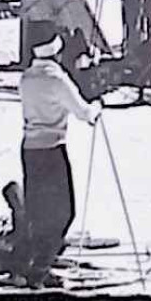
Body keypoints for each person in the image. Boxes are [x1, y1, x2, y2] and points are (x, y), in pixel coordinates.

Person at [15, 31, 103, 287]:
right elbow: (84, 112)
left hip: (30, 149)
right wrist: (98, 104)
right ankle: (40, 269)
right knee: (64, 213)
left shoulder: (26, 78)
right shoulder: (56, 79)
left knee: (39, 212)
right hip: (52, 150)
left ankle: (37, 262)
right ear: (56, 52)